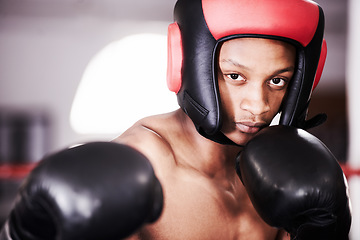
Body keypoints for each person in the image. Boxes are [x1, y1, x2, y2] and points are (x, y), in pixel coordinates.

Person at [0, 0, 351, 239]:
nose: (258, 106)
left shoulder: (289, 172)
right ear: (191, 64)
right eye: (235, 76)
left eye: (277, 81)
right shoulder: (147, 162)